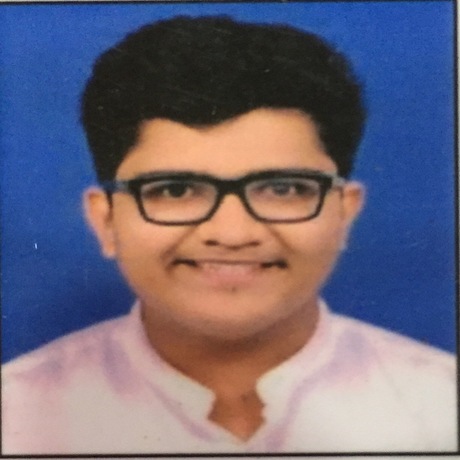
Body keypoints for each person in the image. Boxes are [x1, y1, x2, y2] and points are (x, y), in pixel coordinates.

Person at [2, 15, 456, 454]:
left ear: (343, 213)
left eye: (283, 189)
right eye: (176, 189)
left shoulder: (441, 406)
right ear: (105, 221)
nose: (233, 233)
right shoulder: (15, 415)